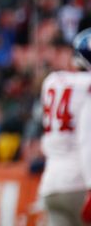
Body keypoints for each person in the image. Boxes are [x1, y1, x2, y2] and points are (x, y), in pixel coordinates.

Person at [38, 27, 91, 226]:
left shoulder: (51, 82)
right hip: (80, 183)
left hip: (51, 184)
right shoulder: (86, 88)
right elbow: (87, 141)